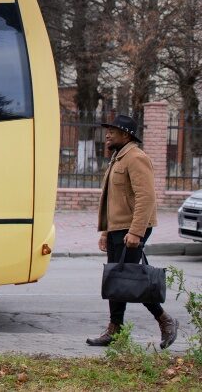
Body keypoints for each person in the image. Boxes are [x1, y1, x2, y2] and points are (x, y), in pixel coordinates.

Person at [87, 115, 178, 348]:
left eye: (112, 131)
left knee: (130, 279)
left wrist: (136, 232)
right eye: (107, 130)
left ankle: (165, 320)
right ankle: (115, 329)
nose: (107, 134)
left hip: (133, 227)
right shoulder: (118, 158)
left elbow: (146, 198)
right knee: (116, 278)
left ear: (125, 134)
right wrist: (106, 232)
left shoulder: (136, 158)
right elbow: (113, 201)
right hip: (118, 228)